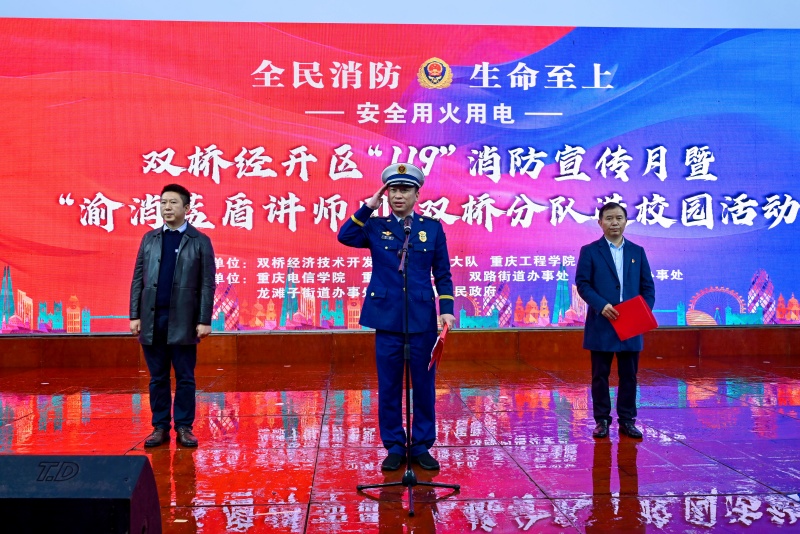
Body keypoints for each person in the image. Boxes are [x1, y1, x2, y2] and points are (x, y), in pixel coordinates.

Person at [338, 163, 456, 471]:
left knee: (424, 385)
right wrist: (369, 206)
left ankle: (421, 445)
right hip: (387, 318)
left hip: (422, 319)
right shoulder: (375, 227)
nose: (398, 195)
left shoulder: (432, 228)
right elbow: (345, 236)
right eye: (392, 190)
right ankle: (393, 445)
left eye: (404, 190)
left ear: (417, 195)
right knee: (389, 385)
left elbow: (442, 272)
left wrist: (446, 309)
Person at [130, 183, 216, 448]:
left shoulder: (199, 241)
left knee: (185, 377)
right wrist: (134, 315)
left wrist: (204, 320)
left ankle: (184, 427)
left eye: (173, 203)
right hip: (153, 319)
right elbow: (138, 279)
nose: (167, 207)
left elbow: (207, 284)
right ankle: (159, 427)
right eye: (163, 203)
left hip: (184, 322)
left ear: (187, 208)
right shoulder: (150, 239)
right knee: (157, 378)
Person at [576, 202, 655, 440]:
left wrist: (641, 313)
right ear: (600, 222)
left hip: (631, 323)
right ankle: (601, 420)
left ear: (626, 221)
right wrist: (601, 305)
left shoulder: (637, 252)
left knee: (629, 375)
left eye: (619, 218)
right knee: (600, 375)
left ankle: (627, 420)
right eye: (609, 218)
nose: (614, 223)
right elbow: (583, 284)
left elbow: (647, 287)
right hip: (602, 321)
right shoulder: (590, 251)